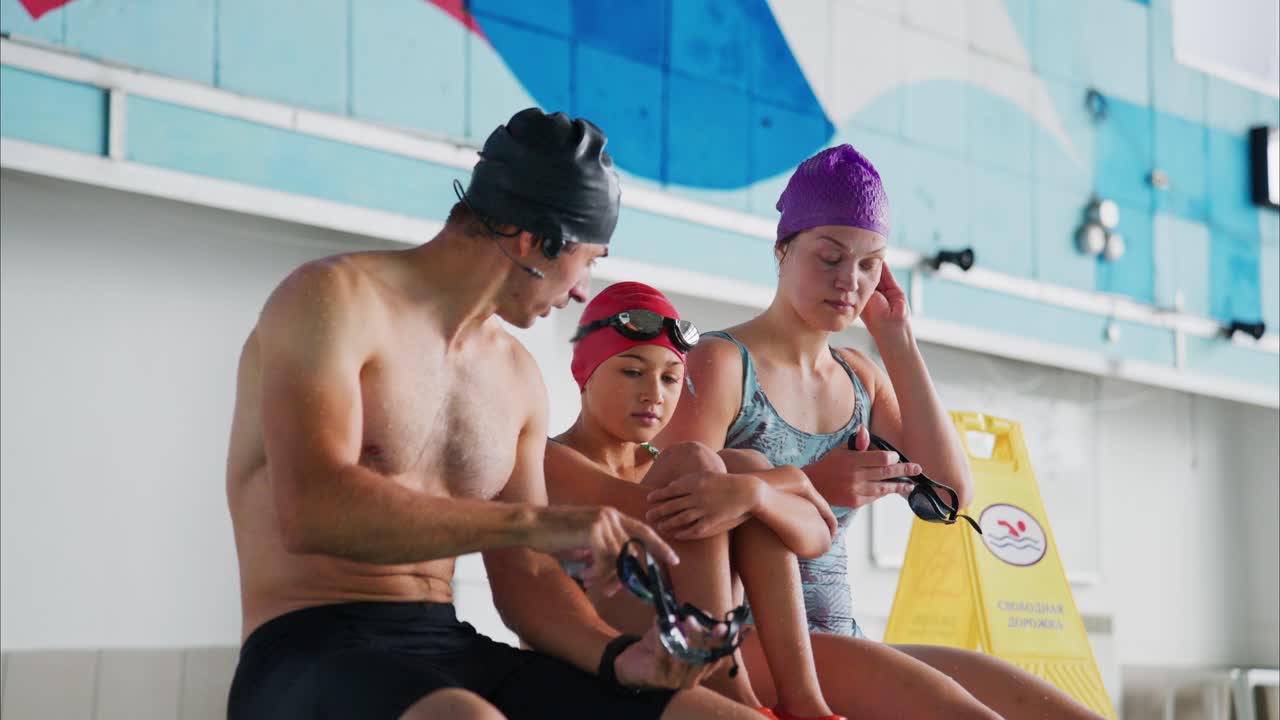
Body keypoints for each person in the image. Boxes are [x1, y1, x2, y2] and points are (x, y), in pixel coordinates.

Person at [224, 107, 767, 720]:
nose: (584, 289)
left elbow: (528, 581)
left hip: (447, 646)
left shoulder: (514, 376)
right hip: (306, 648)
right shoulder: (334, 300)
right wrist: (529, 522)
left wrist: (618, 657)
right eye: (587, 260)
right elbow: (313, 508)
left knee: (714, 717)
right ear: (533, 240)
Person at [651, 144, 1106, 720]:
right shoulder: (721, 365)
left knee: (1051, 708)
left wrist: (898, 341)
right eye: (830, 257)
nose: (850, 281)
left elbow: (949, 496)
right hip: (746, 647)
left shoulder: (859, 377)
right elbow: (667, 523)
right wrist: (816, 482)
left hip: (846, 641)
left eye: (869, 264)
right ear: (782, 248)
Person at [546, 281, 846, 720]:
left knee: (740, 464)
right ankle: (727, 678)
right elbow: (645, 513)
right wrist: (790, 483)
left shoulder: (675, 467)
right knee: (702, 463)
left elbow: (819, 536)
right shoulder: (550, 457)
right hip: (591, 659)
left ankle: (805, 703)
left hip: (679, 636)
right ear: (584, 373)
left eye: (671, 377)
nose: (655, 393)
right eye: (632, 372)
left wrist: (757, 490)